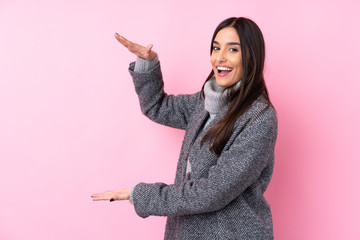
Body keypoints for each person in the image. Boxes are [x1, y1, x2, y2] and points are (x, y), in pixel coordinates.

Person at [91, 17, 278, 239]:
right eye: (216, 48)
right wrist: (146, 63)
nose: (220, 57)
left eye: (233, 50)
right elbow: (157, 107)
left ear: (251, 57)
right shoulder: (204, 102)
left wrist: (141, 195)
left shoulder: (260, 118)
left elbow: (212, 193)